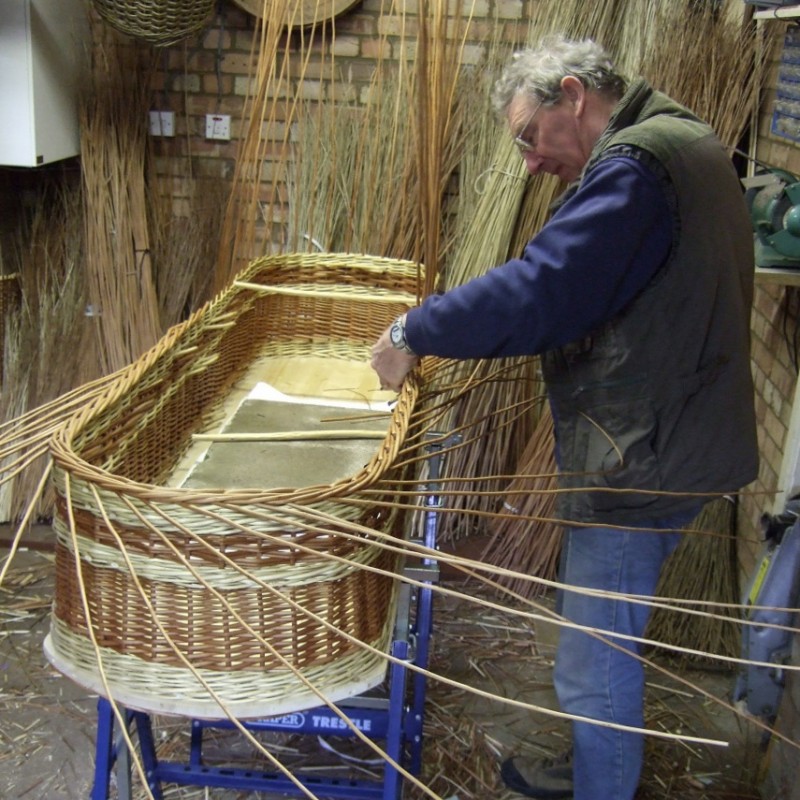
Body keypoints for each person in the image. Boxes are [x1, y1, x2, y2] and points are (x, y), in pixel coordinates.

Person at [371, 35, 759, 800]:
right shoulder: (682, 137)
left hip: (644, 457)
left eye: (528, 136)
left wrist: (411, 333)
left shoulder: (636, 173)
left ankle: (601, 787)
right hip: (674, 434)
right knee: (595, 634)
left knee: (594, 658)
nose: (529, 161)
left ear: (573, 95)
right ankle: (588, 768)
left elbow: (539, 292)